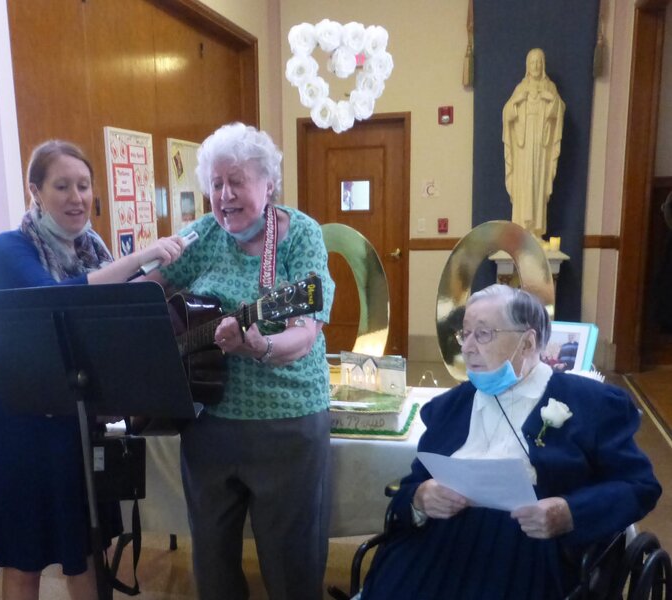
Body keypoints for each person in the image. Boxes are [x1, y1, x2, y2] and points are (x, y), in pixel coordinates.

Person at [0, 140, 187, 600]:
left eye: (83, 185)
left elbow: (119, 314)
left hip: (78, 424)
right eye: (62, 186)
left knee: (89, 550)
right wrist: (136, 261)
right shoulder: (8, 249)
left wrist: (165, 276)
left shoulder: (93, 251)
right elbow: (57, 296)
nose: (77, 197)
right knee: (24, 557)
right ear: (35, 191)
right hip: (22, 426)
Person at [360, 284, 661, 600]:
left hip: (528, 552)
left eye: (483, 334)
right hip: (439, 545)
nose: (468, 347)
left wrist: (569, 512)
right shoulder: (450, 407)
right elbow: (412, 484)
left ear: (527, 342)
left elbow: (639, 486)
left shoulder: (592, 403)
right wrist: (421, 497)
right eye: (465, 334)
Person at [151, 122, 335, 600]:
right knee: (211, 566)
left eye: (237, 182)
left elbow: (307, 332)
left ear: (268, 184)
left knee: (292, 565)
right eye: (216, 184)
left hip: (287, 423)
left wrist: (262, 347)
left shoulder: (299, 234)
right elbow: (147, 291)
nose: (225, 195)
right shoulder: (205, 233)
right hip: (208, 420)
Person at [502, 48, 565, 238]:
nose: (536, 65)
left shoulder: (550, 88)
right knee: (524, 183)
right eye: (532, 62)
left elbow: (560, 109)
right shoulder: (520, 88)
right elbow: (506, 113)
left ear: (543, 65)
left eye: (539, 62)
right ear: (527, 66)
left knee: (538, 182)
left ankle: (535, 230)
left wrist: (551, 101)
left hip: (541, 145)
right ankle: (521, 227)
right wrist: (517, 102)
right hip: (523, 145)